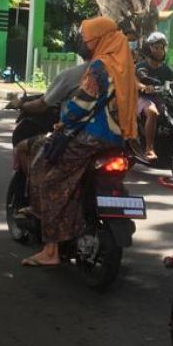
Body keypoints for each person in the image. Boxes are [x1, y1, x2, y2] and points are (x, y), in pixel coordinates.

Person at [20, 16, 137, 268]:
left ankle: (50, 250)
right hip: (116, 139)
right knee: (67, 177)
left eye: (86, 39)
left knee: (51, 181)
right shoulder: (124, 64)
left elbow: (82, 103)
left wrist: (64, 121)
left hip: (90, 139)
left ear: (99, 40)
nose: (83, 43)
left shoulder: (99, 66)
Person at [135, 31, 173, 160]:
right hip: (142, 98)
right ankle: (149, 149)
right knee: (152, 112)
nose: (160, 51)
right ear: (149, 48)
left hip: (160, 98)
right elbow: (134, 82)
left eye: (162, 48)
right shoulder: (141, 67)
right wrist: (144, 87)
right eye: (156, 47)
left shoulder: (164, 69)